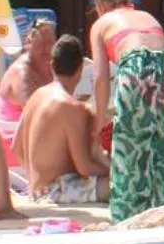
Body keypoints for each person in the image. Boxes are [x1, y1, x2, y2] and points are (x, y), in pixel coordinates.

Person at [88, 0, 164, 221]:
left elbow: (100, 78)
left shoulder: (101, 24)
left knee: (131, 151)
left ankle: (129, 219)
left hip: (135, 68)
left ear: (100, 5)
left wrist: (98, 122)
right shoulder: (147, 16)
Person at [13, 36, 109, 205]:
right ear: (80, 69)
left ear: (52, 66)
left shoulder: (37, 96)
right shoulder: (72, 108)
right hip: (56, 192)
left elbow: (17, 148)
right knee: (121, 186)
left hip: (36, 191)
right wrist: (114, 171)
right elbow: (85, 168)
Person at [0, 19, 57, 109]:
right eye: (41, 43)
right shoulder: (22, 71)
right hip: (14, 121)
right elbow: (30, 109)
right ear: (28, 43)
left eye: (50, 43)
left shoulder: (49, 66)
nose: (46, 48)